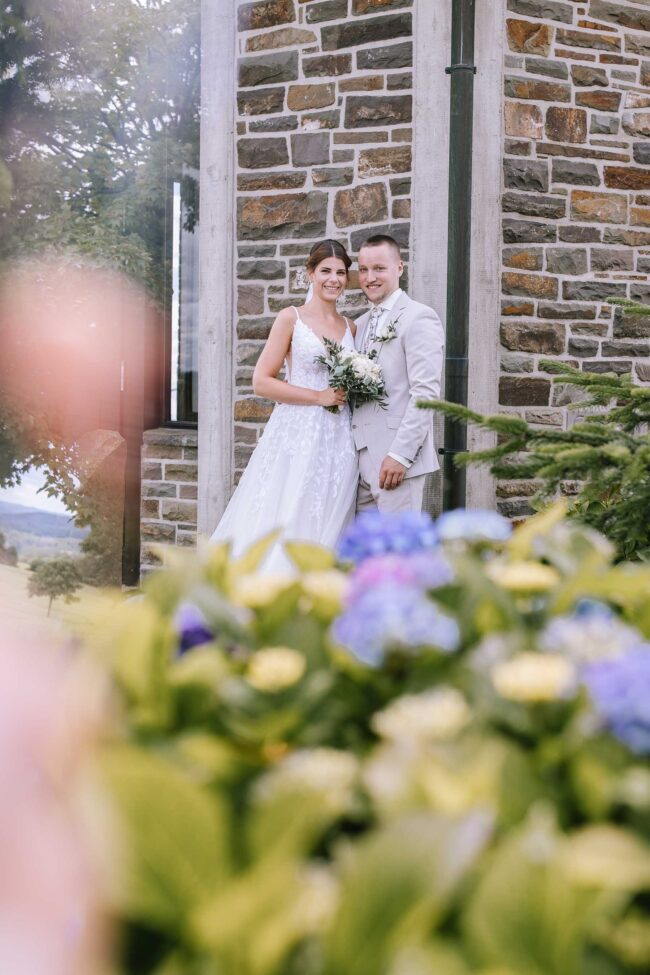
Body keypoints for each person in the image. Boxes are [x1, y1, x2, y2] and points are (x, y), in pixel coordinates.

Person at [210, 239, 359, 571]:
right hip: (297, 432)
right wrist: (318, 397)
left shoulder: (351, 327)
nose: (333, 279)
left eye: (340, 272)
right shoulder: (291, 318)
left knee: (329, 512)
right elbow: (262, 381)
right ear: (310, 273)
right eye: (325, 271)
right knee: (290, 509)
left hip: (338, 437)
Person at [353, 234, 444, 513]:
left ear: (399, 268)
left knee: (400, 552)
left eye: (379, 268)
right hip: (357, 462)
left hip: (395, 462)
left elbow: (425, 394)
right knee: (363, 554)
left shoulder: (419, 317)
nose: (370, 277)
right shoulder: (359, 324)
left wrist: (400, 456)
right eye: (364, 270)